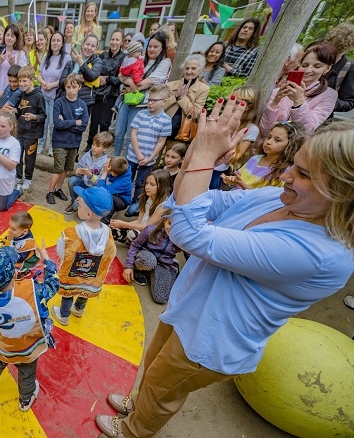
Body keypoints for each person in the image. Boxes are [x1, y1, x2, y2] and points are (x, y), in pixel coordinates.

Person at [94, 96, 354, 438]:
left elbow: (189, 230)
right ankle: (136, 403)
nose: (287, 175)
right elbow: (200, 202)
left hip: (211, 336)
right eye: (296, 165)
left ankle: (132, 431)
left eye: (303, 173)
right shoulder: (282, 199)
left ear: (341, 190)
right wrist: (195, 161)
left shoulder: (321, 252)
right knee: (155, 365)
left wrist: (202, 157)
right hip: (190, 307)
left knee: (163, 389)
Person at [0, 245, 59, 412]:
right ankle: (25, 400)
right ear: (14, 274)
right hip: (27, 348)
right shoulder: (32, 290)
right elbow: (53, 284)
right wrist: (47, 260)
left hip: (2, 347)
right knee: (27, 374)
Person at [52, 186, 116, 326]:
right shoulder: (108, 234)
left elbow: (61, 250)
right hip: (91, 275)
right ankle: (79, 309)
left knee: (69, 292)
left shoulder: (71, 233)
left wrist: (62, 258)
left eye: (79, 205)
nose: (77, 205)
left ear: (88, 214)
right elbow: (110, 253)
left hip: (72, 274)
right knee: (85, 290)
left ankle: (64, 315)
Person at [113, 32, 171, 158]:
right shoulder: (139, 57)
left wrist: (130, 86)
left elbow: (147, 83)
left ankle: (126, 165)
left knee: (130, 136)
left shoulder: (164, 62)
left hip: (142, 104)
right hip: (127, 100)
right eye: (150, 46)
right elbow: (120, 75)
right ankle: (115, 160)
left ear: (162, 48)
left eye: (156, 47)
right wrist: (129, 83)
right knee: (118, 134)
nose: (151, 49)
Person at [259, 44, 338, 136]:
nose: (308, 70)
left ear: (327, 68)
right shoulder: (280, 88)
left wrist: (299, 103)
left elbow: (305, 131)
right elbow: (264, 131)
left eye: (317, 66)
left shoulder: (329, 95)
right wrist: (275, 103)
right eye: (304, 65)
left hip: (294, 148)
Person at [223, 121, 304, 190]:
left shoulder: (285, 172)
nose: (268, 142)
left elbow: (262, 199)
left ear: (290, 145)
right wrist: (232, 181)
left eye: (277, 140)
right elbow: (238, 179)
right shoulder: (255, 159)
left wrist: (240, 183)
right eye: (269, 137)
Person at [47, 73, 89, 205]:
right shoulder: (59, 102)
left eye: (73, 87)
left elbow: (83, 125)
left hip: (74, 142)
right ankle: (50, 192)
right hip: (60, 142)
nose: (70, 90)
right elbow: (57, 124)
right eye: (68, 87)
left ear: (79, 87)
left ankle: (59, 188)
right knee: (58, 168)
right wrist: (74, 122)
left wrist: (67, 122)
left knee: (66, 168)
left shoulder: (82, 104)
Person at [127, 84, 172, 205]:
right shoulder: (141, 114)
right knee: (127, 179)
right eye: (149, 100)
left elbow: (161, 141)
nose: (150, 103)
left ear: (164, 101)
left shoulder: (166, 120)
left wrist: (150, 158)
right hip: (133, 155)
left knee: (141, 182)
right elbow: (133, 135)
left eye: (154, 100)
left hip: (149, 159)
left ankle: (136, 204)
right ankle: (123, 200)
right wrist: (138, 154)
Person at [123, 212, 179, 304]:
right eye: (170, 223)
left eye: (176, 227)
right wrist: (128, 266)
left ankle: (172, 267)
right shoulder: (150, 230)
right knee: (149, 261)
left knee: (161, 298)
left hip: (163, 264)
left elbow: (190, 257)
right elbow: (135, 245)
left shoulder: (182, 239)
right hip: (146, 255)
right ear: (165, 220)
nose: (172, 229)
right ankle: (139, 270)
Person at [87, 29, 126, 151]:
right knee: (94, 122)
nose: (114, 42)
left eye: (117, 39)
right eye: (112, 39)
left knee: (104, 123)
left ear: (121, 42)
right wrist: (98, 77)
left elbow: (121, 78)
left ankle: (102, 146)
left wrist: (108, 78)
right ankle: (90, 145)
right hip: (98, 92)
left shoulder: (123, 58)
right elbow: (95, 70)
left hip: (111, 94)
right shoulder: (102, 55)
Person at [111, 169, 172, 244]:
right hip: (140, 228)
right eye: (146, 183)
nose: (147, 187)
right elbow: (139, 221)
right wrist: (121, 225)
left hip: (152, 234)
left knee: (132, 234)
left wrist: (124, 224)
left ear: (162, 186)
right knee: (111, 229)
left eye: (152, 184)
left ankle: (137, 246)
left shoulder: (164, 205)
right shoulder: (147, 197)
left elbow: (148, 227)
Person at [38, 32, 71, 155]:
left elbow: (65, 77)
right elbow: (39, 74)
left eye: (58, 41)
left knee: (53, 123)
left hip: (55, 96)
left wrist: (51, 85)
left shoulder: (66, 58)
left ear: (62, 43)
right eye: (53, 40)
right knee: (43, 122)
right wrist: (43, 83)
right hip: (43, 94)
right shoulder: (47, 57)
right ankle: (41, 146)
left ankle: (52, 147)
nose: (55, 43)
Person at [15, 66, 47, 190]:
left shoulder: (39, 96)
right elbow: (19, 110)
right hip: (20, 131)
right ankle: (18, 177)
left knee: (29, 158)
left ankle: (28, 178)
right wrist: (14, 111)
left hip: (32, 134)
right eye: (20, 81)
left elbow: (43, 115)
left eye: (24, 81)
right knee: (17, 155)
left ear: (32, 80)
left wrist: (34, 117)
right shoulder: (21, 94)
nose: (22, 84)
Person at [164, 54, 210, 139]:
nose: (189, 71)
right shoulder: (170, 85)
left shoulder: (204, 89)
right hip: (163, 126)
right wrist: (176, 97)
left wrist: (182, 98)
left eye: (193, 68)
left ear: (200, 70)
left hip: (182, 131)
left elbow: (195, 113)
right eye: (187, 68)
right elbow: (160, 107)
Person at [65, 131, 111, 214]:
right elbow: (80, 167)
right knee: (72, 180)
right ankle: (74, 200)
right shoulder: (88, 154)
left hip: (93, 190)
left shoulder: (106, 162)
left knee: (78, 207)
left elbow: (102, 184)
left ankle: (83, 205)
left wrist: (90, 175)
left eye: (97, 146)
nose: (93, 147)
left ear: (105, 148)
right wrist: (79, 171)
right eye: (93, 144)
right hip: (84, 184)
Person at [59, 34, 102, 117]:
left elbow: (91, 77)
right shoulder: (71, 61)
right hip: (66, 100)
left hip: (84, 101)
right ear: (82, 45)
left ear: (96, 49)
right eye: (87, 44)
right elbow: (61, 83)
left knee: (78, 127)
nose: (89, 48)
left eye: (93, 46)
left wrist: (81, 63)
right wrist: (78, 79)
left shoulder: (97, 61)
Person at [323, 22, 354, 115]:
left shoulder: (347, 68)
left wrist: (326, 102)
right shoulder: (313, 55)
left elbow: (349, 102)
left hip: (321, 118)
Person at [0, 25, 28, 97]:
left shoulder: (20, 54)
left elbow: (23, 76)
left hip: (13, 93)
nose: (9, 38)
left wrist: (13, 65)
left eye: (12, 36)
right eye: (8, 35)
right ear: (4, 36)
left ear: (16, 38)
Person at [93, 156, 132, 223]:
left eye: (109, 172)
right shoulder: (119, 170)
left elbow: (102, 191)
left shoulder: (123, 183)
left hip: (121, 201)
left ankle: (105, 221)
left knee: (108, 197)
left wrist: (105, 172)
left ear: (113, 173)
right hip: (111, 192)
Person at [5, 212, 39, 279]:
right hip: (16, 251)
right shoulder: (15, 232)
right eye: (10, 227)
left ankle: (24, 272)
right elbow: (7, 239)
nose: (10, 230)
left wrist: (8, 253)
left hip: (27, 260)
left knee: (15, 264)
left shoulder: (27, 243)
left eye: (13, 229)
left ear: (25, 231)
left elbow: (20, 259)